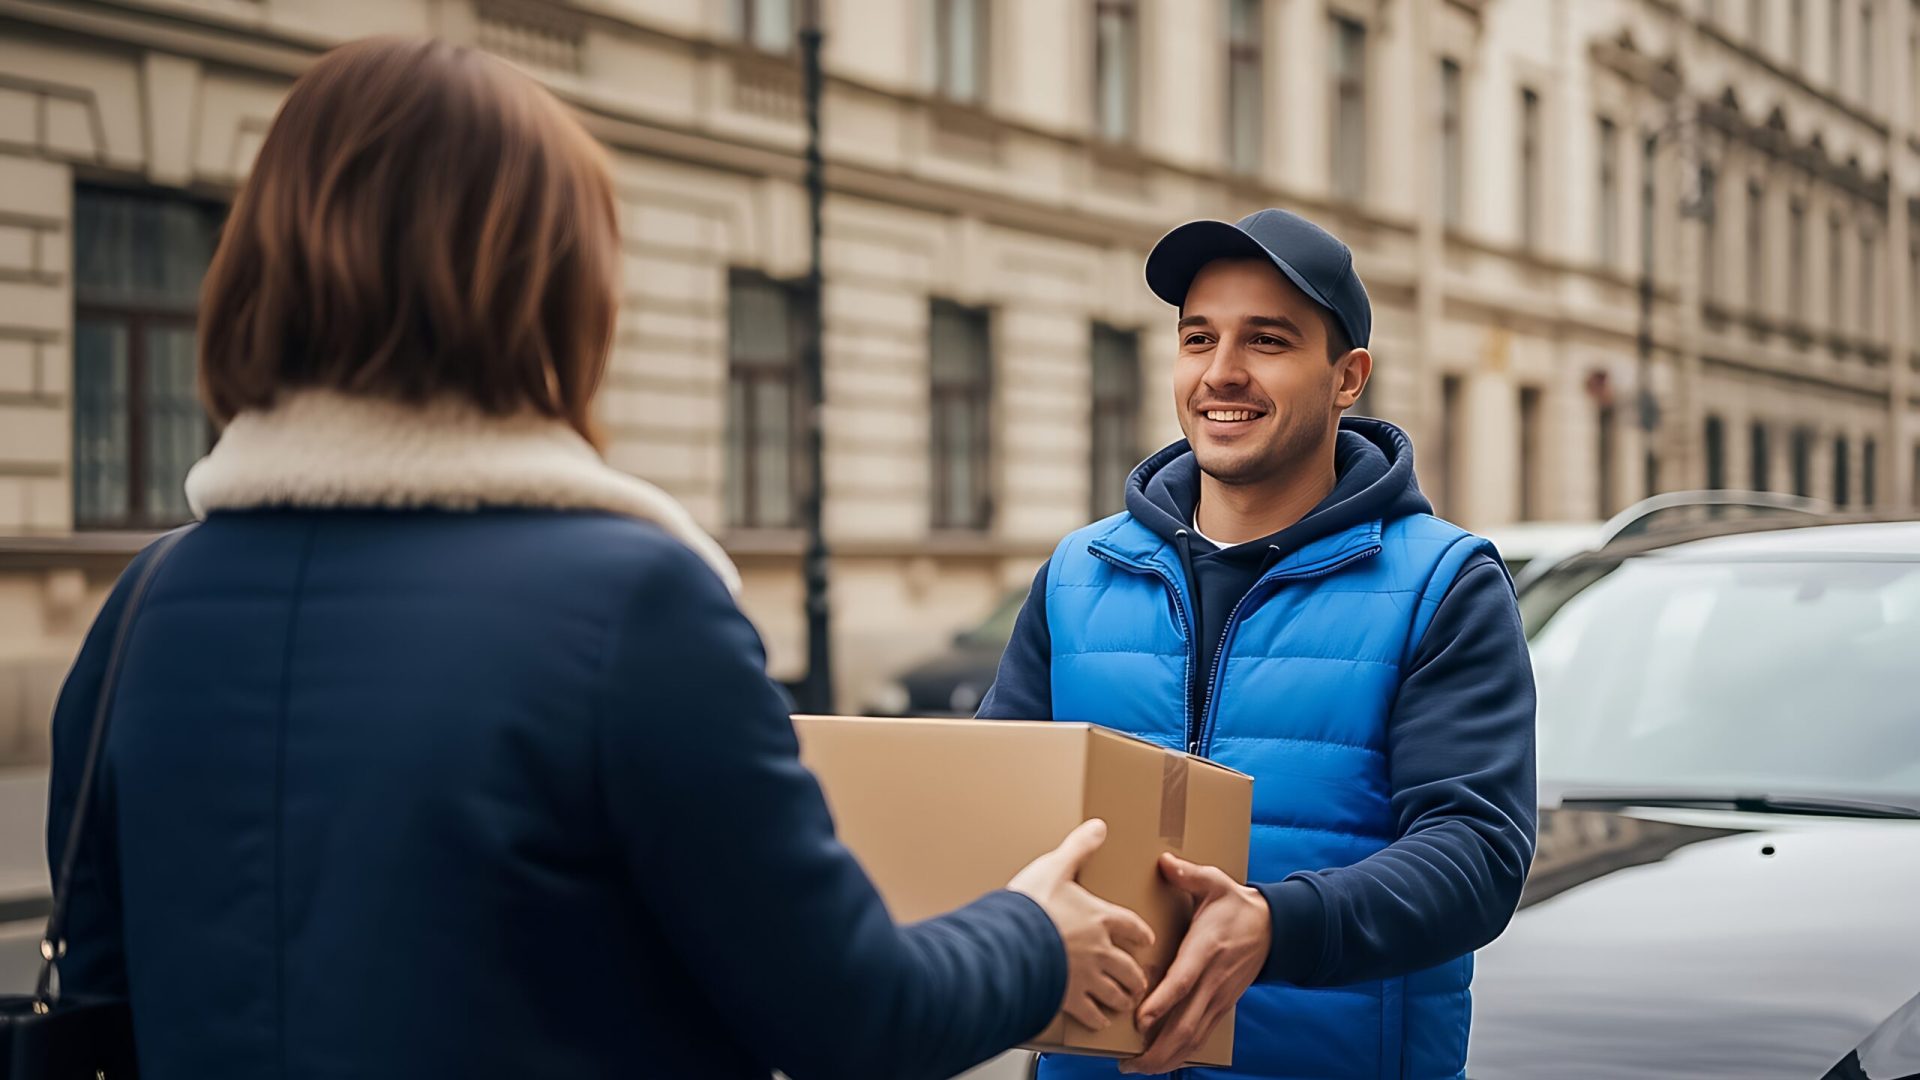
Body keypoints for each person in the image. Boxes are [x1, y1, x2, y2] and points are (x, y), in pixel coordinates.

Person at [45, 36, 1155, 1080]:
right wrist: (1033, 938)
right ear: (550, 289)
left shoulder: (145, 608)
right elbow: (850, 1015)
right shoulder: (631, 608)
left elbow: (104, 998)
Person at [979, 209, 1538, 1079]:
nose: (1221, 374)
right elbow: (993, 810)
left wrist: (1278, 927)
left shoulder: (1444, 582)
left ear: (1347, 377)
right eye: (1198, 338)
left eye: (1267, 341)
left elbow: (1476, 854)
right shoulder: (1077, 574)